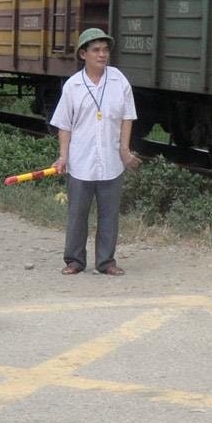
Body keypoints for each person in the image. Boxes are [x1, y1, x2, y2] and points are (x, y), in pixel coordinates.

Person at [50, 28, 140, 275]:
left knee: (109, 214)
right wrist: (63, 156)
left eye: (105, 49)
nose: (102, 55)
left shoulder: (118, 80)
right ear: (83, 54)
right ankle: (74, 261)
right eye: (96, 50)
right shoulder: (73, 86)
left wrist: (124, 150)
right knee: (77, 214)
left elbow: (127, 117)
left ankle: (106, 262)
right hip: (81, 161)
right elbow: (64, 125)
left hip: (111, 161)